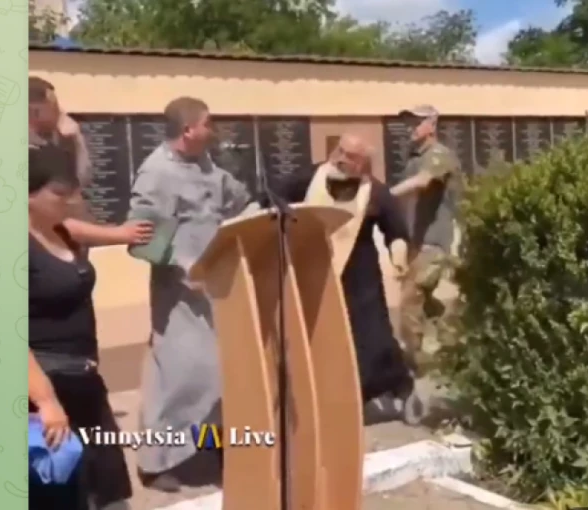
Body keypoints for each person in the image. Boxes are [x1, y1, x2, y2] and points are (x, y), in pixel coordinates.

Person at [129, 96, 253, 492]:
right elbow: (142, 240)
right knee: (177, 377)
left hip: (218, 289)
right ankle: (154, 463)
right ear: (188, 130)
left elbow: (237, 202)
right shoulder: (156, 173)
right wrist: (185, 270)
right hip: (179, 295)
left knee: (219, 375)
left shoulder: (207, 166)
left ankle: (209, 448)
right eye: (208, 123)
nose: (213, 130)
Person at [263, 132, 423, 424]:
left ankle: (400, 387)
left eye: (349, 156)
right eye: (339, 150)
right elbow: (272, 198)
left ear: (362, 164)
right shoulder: (308, 179)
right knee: (321, 341)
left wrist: (398, 254)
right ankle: (333, 400)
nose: (339, 158)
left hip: (361, 281)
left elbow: (395, 229)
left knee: (373, 340)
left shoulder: (375, 192)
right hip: (314, 274)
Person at [28, 144, 132, 510]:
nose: (70, 201)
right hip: (45, 383)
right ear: (27, 194)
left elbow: (81, 226)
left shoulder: (64, 232)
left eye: (72, 192)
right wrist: (46, 401)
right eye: (59, 193)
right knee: (60, 489)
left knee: (106, 488)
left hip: (85, 380)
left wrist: (126, 234)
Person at [28, 76, 154, 247]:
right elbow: (53, 222)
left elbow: (82, 180)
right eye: (55, 107)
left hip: (70, 247)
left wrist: (75, 139)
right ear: (35, 112)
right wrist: (118, 234)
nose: (61, 113)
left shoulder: (56, 141)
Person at [390, 105, 459, 376]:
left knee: (410, 300)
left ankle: (413, 366)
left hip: (434, 243)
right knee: (426, 303)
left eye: (417, 122)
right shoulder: (413, 159)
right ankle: (455, 345)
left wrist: (385, 195)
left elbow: (423, 181)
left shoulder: (439, 155)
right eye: (409, 123)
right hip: (416, 244)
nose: (411, 128)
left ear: (432, 125)